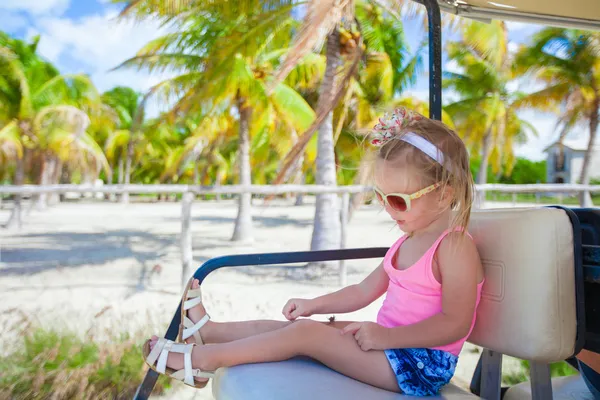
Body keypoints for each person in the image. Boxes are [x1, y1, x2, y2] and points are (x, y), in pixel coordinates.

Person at [143, 107, 485, 396]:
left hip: (420, 365)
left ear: (444, 194)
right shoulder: (406, 241)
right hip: (392, 348)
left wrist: (387, 336)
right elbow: (363, 291)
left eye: (398, 200)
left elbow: (455, 324)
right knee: (294, 327)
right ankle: (210, 331)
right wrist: (313, 305)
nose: (388, 209)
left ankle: (203, 361)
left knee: (305, 335)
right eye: (380, 197)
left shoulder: (454, 247)